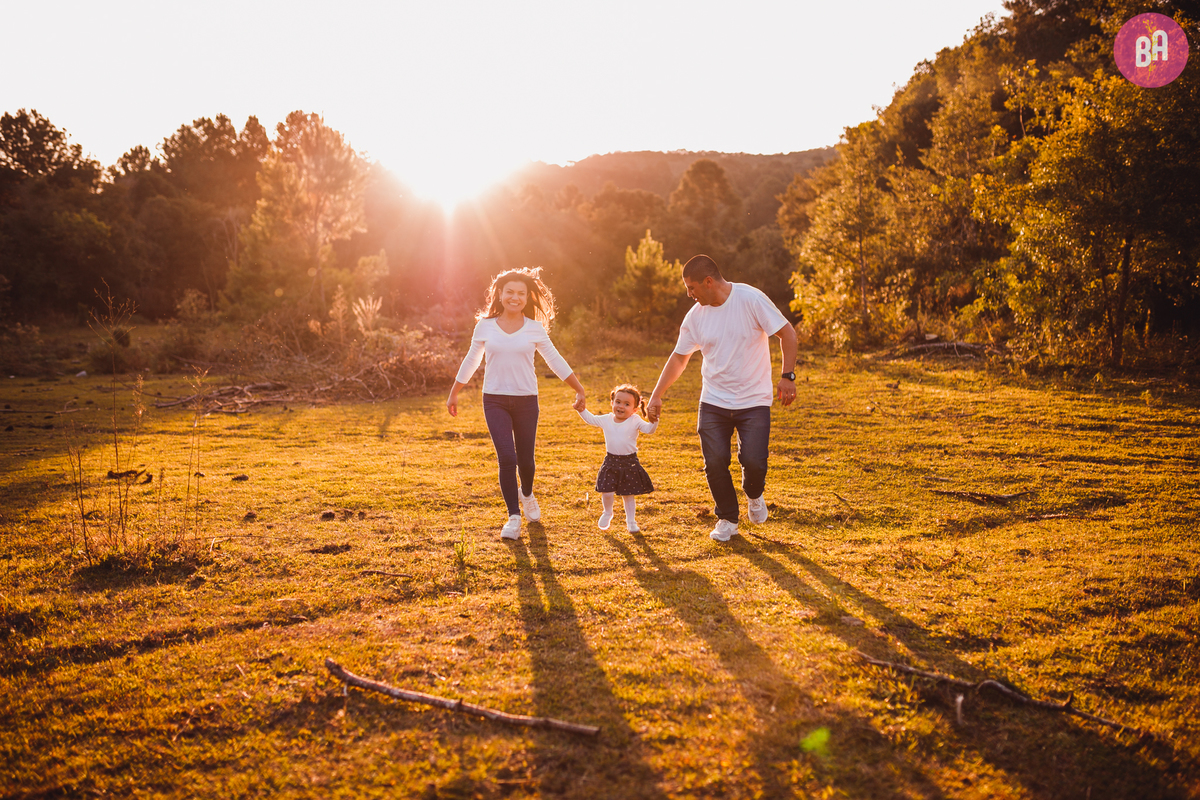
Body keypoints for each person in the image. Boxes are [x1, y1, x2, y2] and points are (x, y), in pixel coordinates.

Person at [646, 254, 797, 542]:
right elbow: (679, 358)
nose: (689, 294)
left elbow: (787, 333)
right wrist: (656, 394)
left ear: (708, 282)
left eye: (691, 288)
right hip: (713, 401)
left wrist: (787, 376)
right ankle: (727, 518)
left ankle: (754, 494)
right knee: (714, 462)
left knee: (754, 462)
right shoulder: (695, 317)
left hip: (753, 400)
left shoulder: (750, 300)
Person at [447, 268, 586, 540]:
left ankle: (527, 493)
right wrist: (454, 392)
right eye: (509, 292)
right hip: (494, 399)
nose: (515, 297)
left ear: (527, 297)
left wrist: (578, 388)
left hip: (526, 400)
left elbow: (555, 360)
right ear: (499, 294)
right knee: (507, 458)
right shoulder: (485, 326)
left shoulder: (534, 329)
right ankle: (513, 516)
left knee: (526, 460)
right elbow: (472, 360)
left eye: (521, 293)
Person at [576, 383, 658, 533]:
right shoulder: (607, 419)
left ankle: (631, 522)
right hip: (611, 461)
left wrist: (654, 420)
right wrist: (581, 410)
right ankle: (608, 512)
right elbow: (591, 419)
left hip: (629, 462)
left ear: (634, 409)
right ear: (612, 402)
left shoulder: (635, 420)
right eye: (618, 402)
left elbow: (649, 430)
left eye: (627, 404)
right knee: (606, 491)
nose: (621, 406)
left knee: (628, 494)